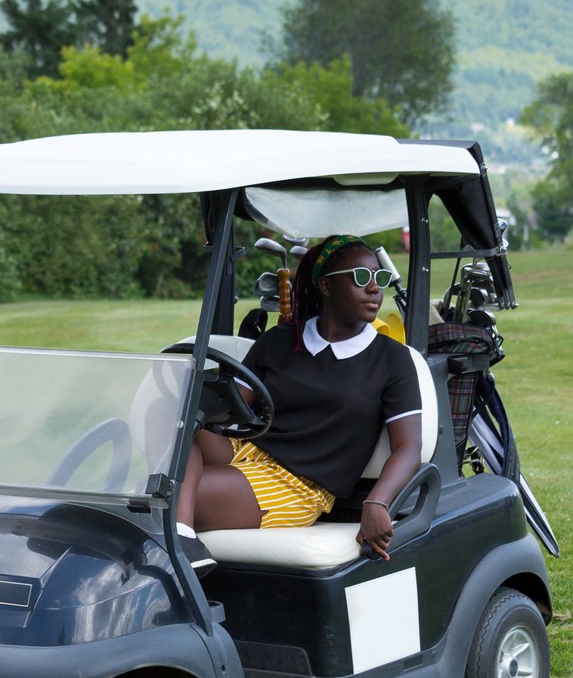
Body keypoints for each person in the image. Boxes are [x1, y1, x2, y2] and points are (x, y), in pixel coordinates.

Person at [175, 235, 424, 566]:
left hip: (298, 483)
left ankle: (178, 541)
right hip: (247, 446)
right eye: (360, 278)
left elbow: (408, 447)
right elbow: (231, 406)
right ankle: (181, 540)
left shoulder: (392, 359)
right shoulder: (279, 340)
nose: (374, 289)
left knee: (173, 490)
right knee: (169, 423)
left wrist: (377, 502)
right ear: (326, 286)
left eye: (378, 278)